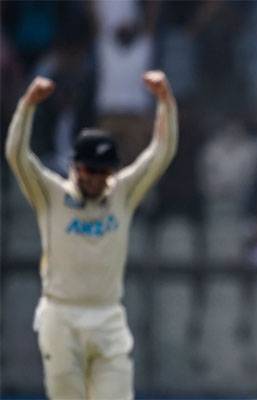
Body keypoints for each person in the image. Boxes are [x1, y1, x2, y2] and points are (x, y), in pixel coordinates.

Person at [5, 70, 177, 400]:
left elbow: (161, 152)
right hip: (61, 318)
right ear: (75, 167)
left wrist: (165, 101)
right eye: (89, 170)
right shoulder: (50, 195)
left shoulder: (122, 195)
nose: (96, 179)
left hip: (108, 317)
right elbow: (16, 156)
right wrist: (27, 106)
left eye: (102, 171)